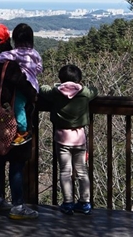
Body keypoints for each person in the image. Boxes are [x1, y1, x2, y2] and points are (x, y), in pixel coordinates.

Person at [0, 23, 39, 219]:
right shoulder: (11, 64)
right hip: (13, 119)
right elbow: (26, 89)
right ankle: (18, 207)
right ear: (7, 40)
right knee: (16, 162)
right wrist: (35, 93)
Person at [39, 64, 98, 215]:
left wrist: (55, 86)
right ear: (79, 79)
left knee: (65, 171)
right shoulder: (84, 93)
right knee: (82, 171)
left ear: (60, 79)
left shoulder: (55, 92)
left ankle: (68, 203)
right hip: (79, 137)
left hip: (62, 137)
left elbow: (42, 89)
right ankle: (85, 203)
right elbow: (94, 90)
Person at [0, 23, 42, 145]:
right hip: (12, 118)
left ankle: (21, 132)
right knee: (18, 159)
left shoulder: (1, 60)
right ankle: (23, 132)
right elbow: (37, 70)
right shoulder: (17, 61)